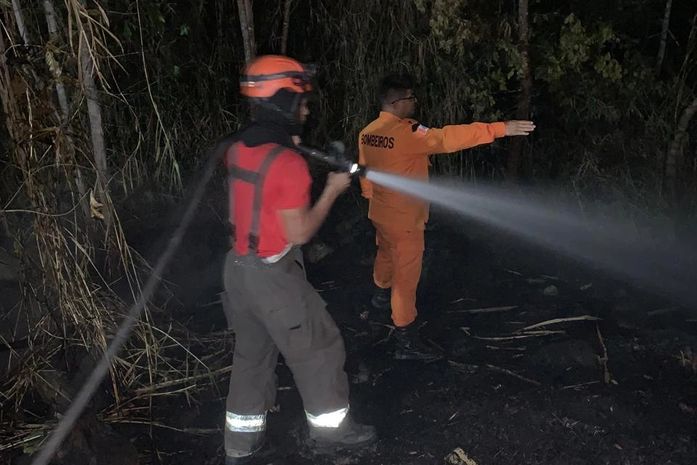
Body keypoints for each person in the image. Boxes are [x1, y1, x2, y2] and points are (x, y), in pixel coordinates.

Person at [221, 55, 375, 465]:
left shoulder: (239, 149)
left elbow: (264, 172)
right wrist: (333, 189)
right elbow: (301, 233)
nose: (306, 109)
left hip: (237, 269)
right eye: (301, 101)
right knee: (319, 349)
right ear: (283, 101)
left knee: (251, 357)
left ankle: (239, 447)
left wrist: (292, 149)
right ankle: (331, 436)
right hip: (273, 277)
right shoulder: (288, 165)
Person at [358, 73, 535, 361]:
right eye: (411, 98)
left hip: (380, 213)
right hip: (405, 221)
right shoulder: (406, 133)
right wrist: (501, 128)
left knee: (386, 254)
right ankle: (405, 336)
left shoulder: (367, 132)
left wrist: (371, 198)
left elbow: (365, 172)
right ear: (397, 102)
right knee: (406, 278)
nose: (415, 103)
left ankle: (379, 295)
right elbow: (449, 138)